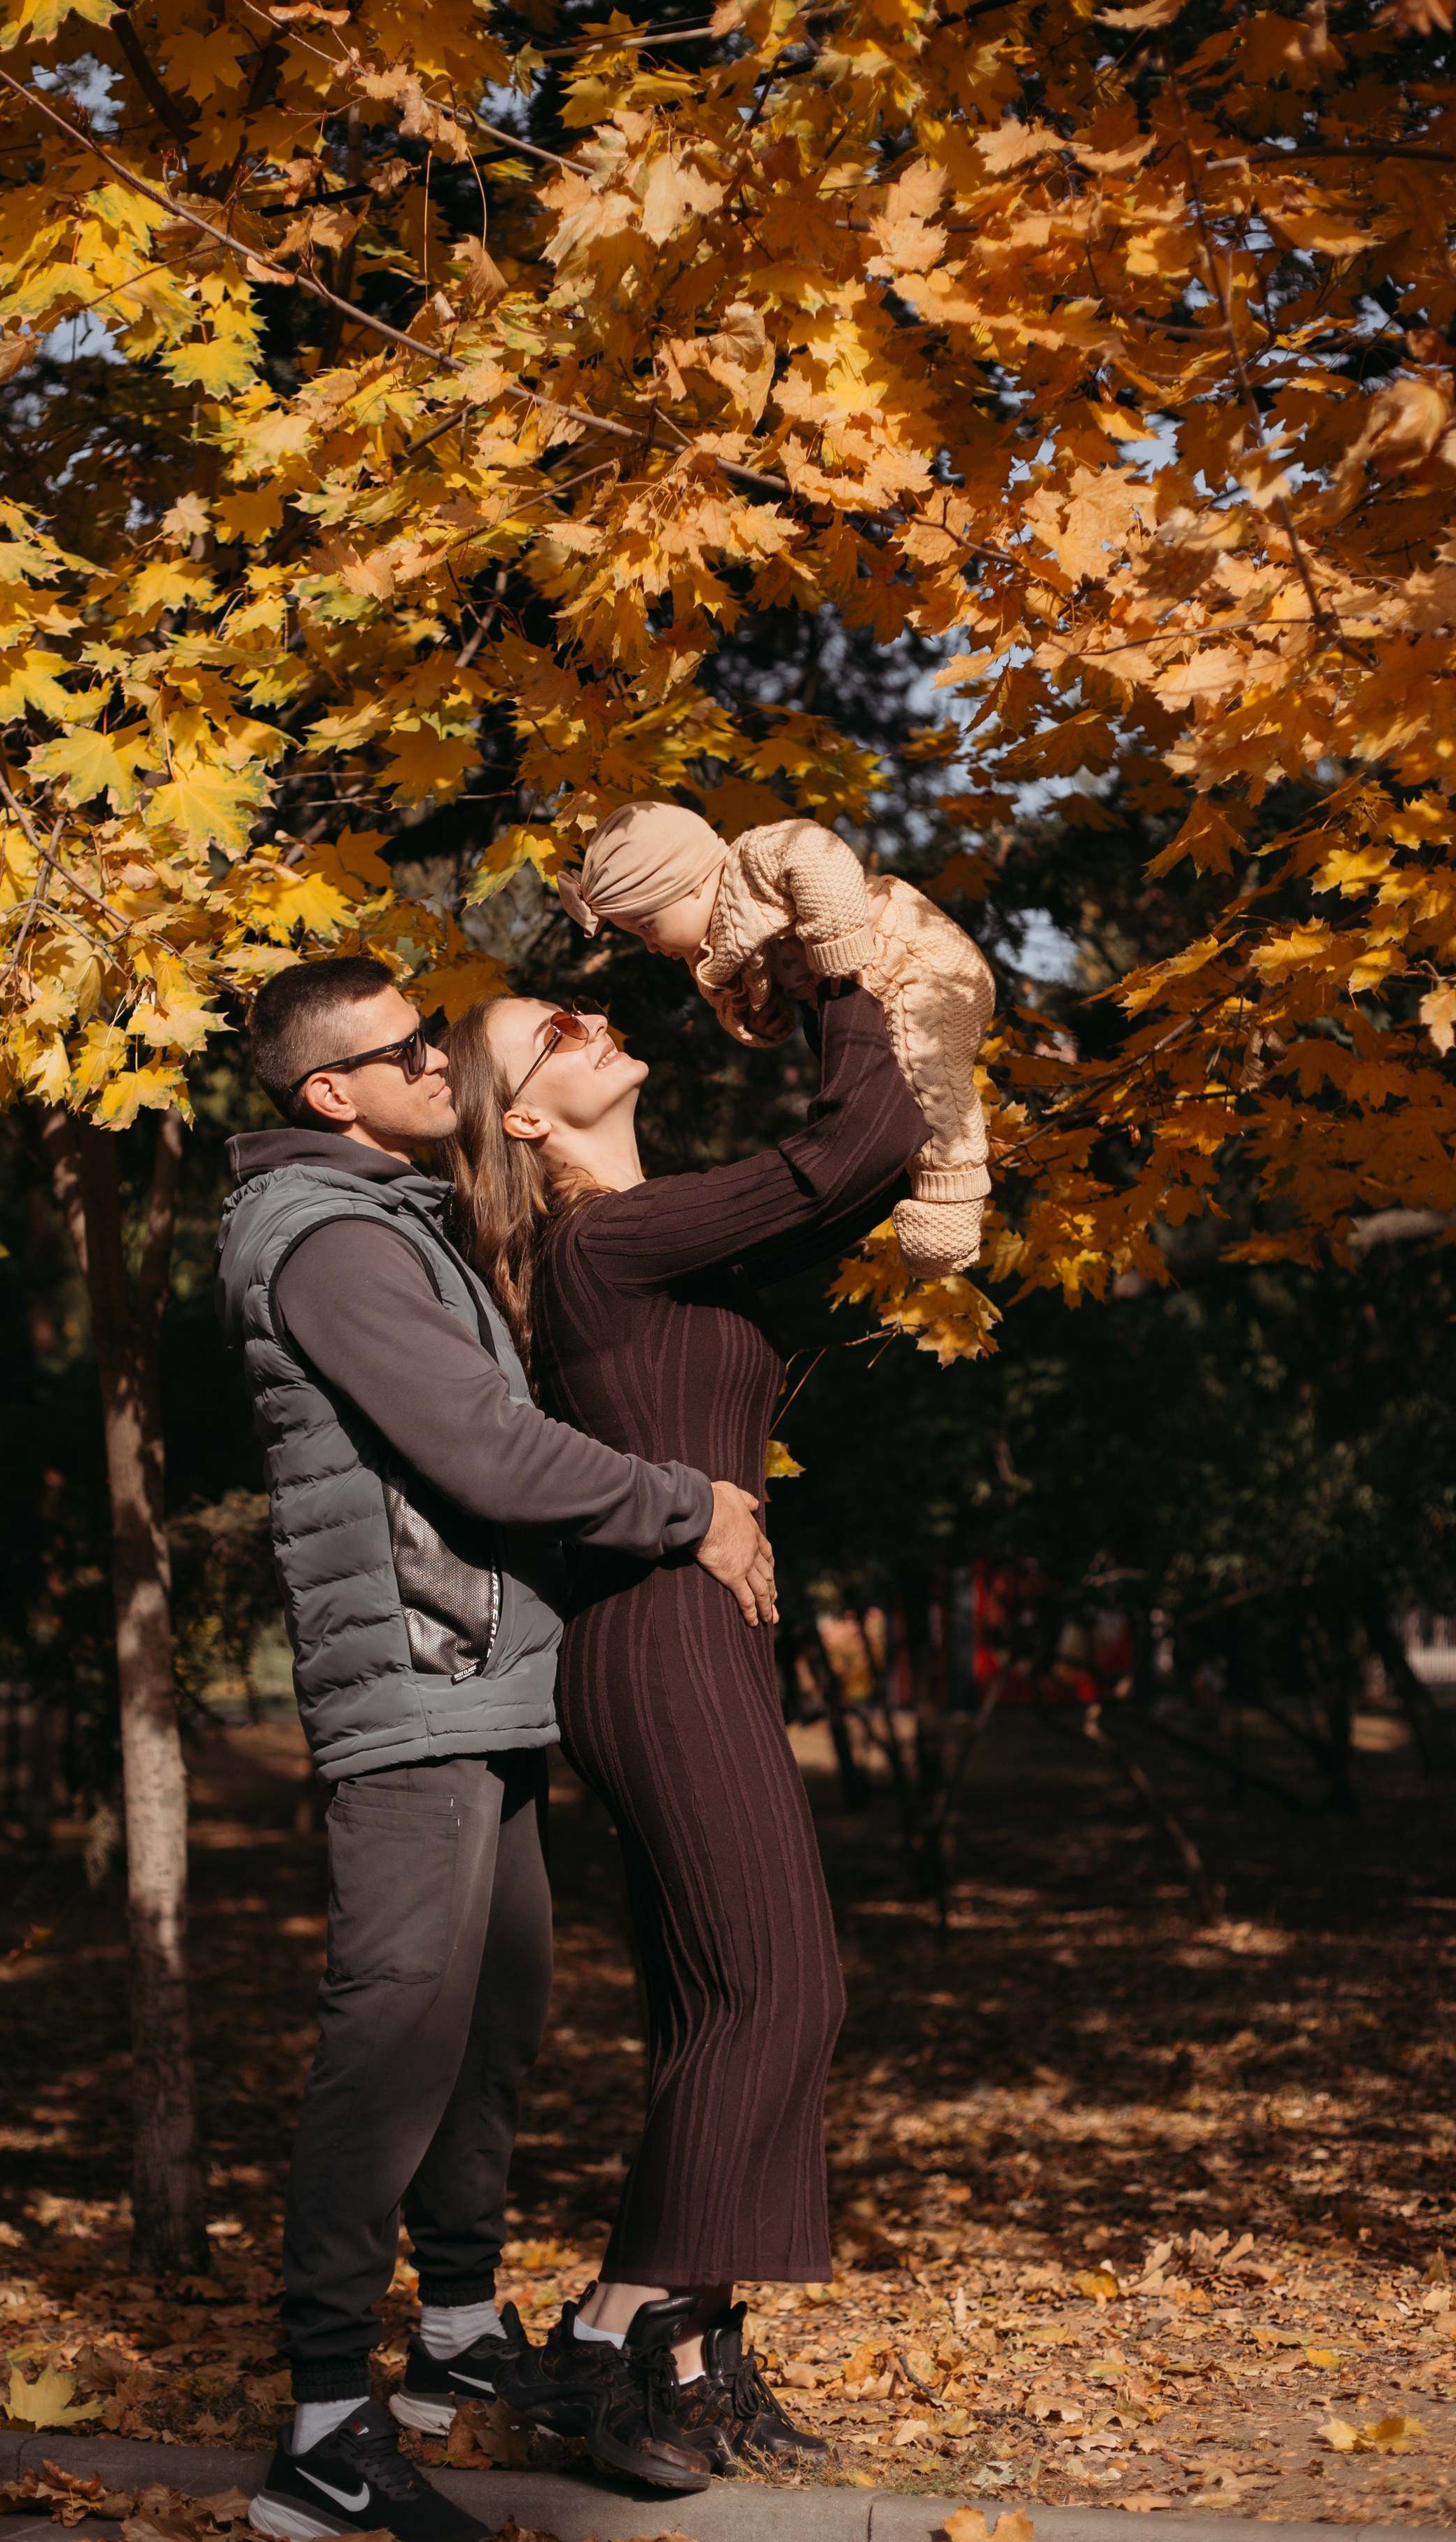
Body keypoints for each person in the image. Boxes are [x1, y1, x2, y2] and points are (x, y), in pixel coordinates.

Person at [214, 957, 778, 2542]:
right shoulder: (325, 1240)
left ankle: (451, 2341)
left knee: (493, 2017)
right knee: (390, 2033)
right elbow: (479, 1444)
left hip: (478, 1682)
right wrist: (686, 1501)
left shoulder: (390, 1220)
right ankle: (324, 2428)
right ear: (331, 1091)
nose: (430, 1059)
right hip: (412, 1688)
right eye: (404, 1047)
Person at [442, 977, 927, 2478]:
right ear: (524, 1118)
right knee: (784, 1993)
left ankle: (702, 2353)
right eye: (553, 1035)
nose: (590, 1023)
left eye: (581, 1010)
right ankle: (611, 2331)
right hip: (655, 1642)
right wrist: (843, 974)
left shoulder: (651, 1237)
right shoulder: (604, 1239)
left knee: (713, 2002)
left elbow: (834, 1195)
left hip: (686, 1637)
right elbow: (852, 1154)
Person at [559, 799, 994, 1278]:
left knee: (929, 1080)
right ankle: (904, 1179)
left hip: (924, 967)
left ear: (690, 886)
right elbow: (732, 990)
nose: (650, 945)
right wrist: (760, 1017)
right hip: (871, 992)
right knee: (890, 1098)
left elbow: (816, 850)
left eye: (647, 925)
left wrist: (839, 946)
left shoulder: (755, 858)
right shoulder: (713, 940)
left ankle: (952, 1199)